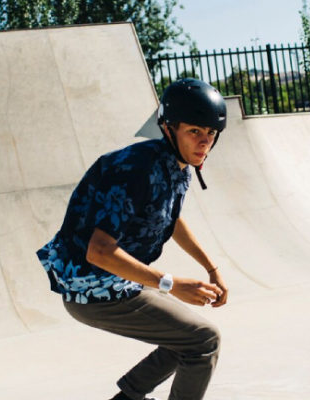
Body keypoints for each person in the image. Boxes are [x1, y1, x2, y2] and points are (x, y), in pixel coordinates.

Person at [36, 78, 229, 400]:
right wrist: (170, 283)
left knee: (183, 337)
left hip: (116, 282)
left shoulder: (176, 166)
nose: (204, 142)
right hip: (95, 288)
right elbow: (99, 252)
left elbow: (170, 217)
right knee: (202, 339)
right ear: (169, 128)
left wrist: (212, 267)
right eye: (194, 131)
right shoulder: (136, 169)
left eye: (211, 133)